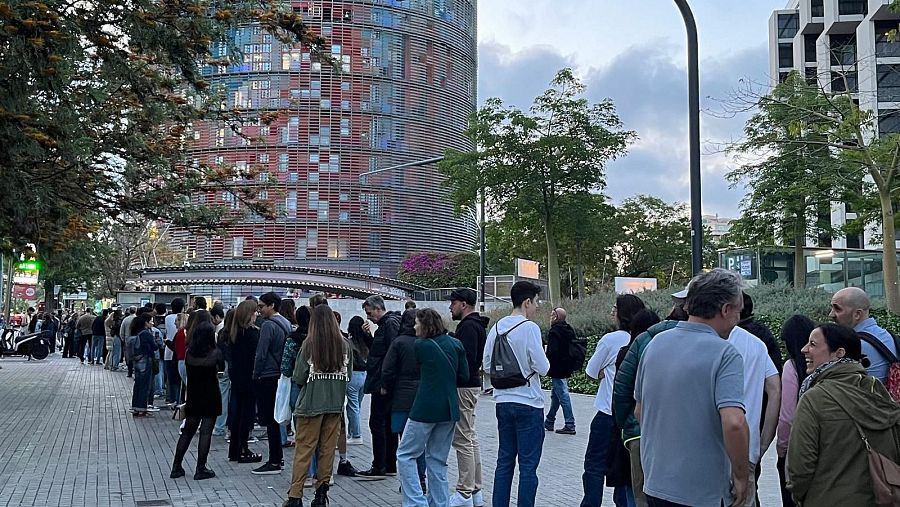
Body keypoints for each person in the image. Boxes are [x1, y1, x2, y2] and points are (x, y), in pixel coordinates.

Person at [634, 269, 749, 507]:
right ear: (726, 310)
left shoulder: (656, 343)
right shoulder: (725, 353)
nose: (738, 320)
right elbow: (734, 422)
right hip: (702, 490)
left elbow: (639, 411)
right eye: (738, 312)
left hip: (657, 482)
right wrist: (741, 475)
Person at [787, 323, 900, 506]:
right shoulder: (878, 391)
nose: (804, 349)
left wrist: (800, 496)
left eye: (813, 344)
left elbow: (800, 465)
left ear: (839, 353)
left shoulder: (815, 398)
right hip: (881, 497)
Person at [482, 281, 550, 507]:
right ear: (526, 302)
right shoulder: (529, 328)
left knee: (504, 461)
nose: (537, 307)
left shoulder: (497, 327)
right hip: (529, 402)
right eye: (536, 302)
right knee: (528, 466)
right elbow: (543, 367)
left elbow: (486, 364)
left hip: (502, 401)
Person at [397, 308, 469, 507]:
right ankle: (440, 502)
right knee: (437, 459)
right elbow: (463, 375)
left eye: (417, 323)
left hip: (425, 407)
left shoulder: (420, 345)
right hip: (449, 408)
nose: (414, 327)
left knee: (406, 454)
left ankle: (416, 502)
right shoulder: (456, 344)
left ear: (426, 325)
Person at [284, 304, 352, 507]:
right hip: (335, 405)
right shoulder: (345, 345)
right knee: (327, 451)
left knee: (304, 450)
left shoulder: (309, 344)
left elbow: (299, 376)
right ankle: (321, 495)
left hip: (311, 404)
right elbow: (347, 375)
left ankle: (295, 496)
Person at [582, 294, 646, 507]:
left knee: (594, 465)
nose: (612, 313)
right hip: (632, 417)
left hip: (607, 413)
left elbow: (591, 371)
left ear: (622, 313)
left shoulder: (611, 340)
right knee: (625, 470)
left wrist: (603, 373)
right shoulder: (644, 339)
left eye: (615, 309)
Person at [727, 312, 781, 507]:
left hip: (706, 454)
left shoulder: (700, 343)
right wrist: (763, 444)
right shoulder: (755, 344)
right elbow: (775, 389)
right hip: (747, 448)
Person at [447, 287, 489, 507]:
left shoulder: (469, 328)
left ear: (463, 304)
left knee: (462, 439)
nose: (450, 306)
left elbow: (468, 359)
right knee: (470, 438)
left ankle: (464, 491)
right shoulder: (473, 326)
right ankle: (474, 490)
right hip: (470, 386)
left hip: (463, 387)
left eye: (453, 303)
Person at [170, 319, 224, 481]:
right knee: (205, 432)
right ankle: (201, 467)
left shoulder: (189, 353)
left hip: (193, 395)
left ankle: (176, 466)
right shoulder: (215, 353)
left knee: (187, 432)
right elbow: (221, 369)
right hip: (211, 395)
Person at [381, 308, 427, 491]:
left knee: (405, 442)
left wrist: (385, 386)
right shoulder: (425, 342)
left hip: (400, 397)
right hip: (422, 396)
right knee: (421, 442)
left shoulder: (398, 342)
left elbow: (388, 369)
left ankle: (409, 481)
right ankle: (421, 477)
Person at [358, 295, 402, 479]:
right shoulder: (387, 325)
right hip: (383, 380)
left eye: (369, 313)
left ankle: (380, 464)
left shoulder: (389, 324)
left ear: (377, 308)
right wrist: (369, 337)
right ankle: (388, 463)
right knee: (386, 424)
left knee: (378, 422)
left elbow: (391, 354)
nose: (369, 317)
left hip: (383, 382)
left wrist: (386, 382)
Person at [775, 315, 815, 507]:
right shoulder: (823, 365)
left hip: (795, 450)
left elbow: (787, 417)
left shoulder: (792, 368)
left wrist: (781, 449)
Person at [252, 291, 292, 475]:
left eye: (261, 306)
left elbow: (261, 353)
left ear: (272, 306)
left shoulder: (268, 326)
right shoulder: (286, 323)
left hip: (267, 375)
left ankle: (274, 460)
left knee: (269, 420)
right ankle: (278, 458)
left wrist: (255, 373)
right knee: (276, 418)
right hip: (280, 374)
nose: (259, 310)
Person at [829, 287, 898, 383]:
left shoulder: (855, 345)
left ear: (857, 314)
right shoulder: (887, 335)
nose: (831, 314)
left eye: (837, 309)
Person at [227, 300, 262, 464]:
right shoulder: (252, 334)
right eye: (254, 312)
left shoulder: (234, 334)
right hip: (250, 379)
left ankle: (235, 449)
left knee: (237, 415)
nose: (257, 314)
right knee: (246, 416)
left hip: (237, 379)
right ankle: (243, 448)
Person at [545, 307, 578, 435]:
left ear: (556, 317)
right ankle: (549, 421)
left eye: (552, 315)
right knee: (556, 395)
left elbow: (552, 352)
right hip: (566, 367)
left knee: (562, 394)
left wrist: (547, 363)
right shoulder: (569, 329)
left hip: (557, 368)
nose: (550, 317)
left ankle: (570, 424)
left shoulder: (555, 331)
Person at [345, 315, 369, 445]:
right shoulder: (365, 342)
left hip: (353, 375)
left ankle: (356, 435)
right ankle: (352, 433)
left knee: (352, 406)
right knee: (357, 406)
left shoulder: (349, 343)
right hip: (364, 375)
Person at [131, 314, 157, 417]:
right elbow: (154, 347)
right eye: (151, 321)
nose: (152, 323)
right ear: (146, 322)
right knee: (145, 385)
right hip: (146, 360)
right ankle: (142, 409)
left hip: (137, 359)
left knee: (138, 384)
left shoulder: (136, 332)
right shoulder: (146, 333)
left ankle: (136, 407)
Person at [164, 299, 185, 406]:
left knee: (170, 377)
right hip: (179, 354)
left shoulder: (167, 318)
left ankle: (170, 398)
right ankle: (177, 400)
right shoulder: (184, 319)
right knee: (178, 379)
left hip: (169, 352)